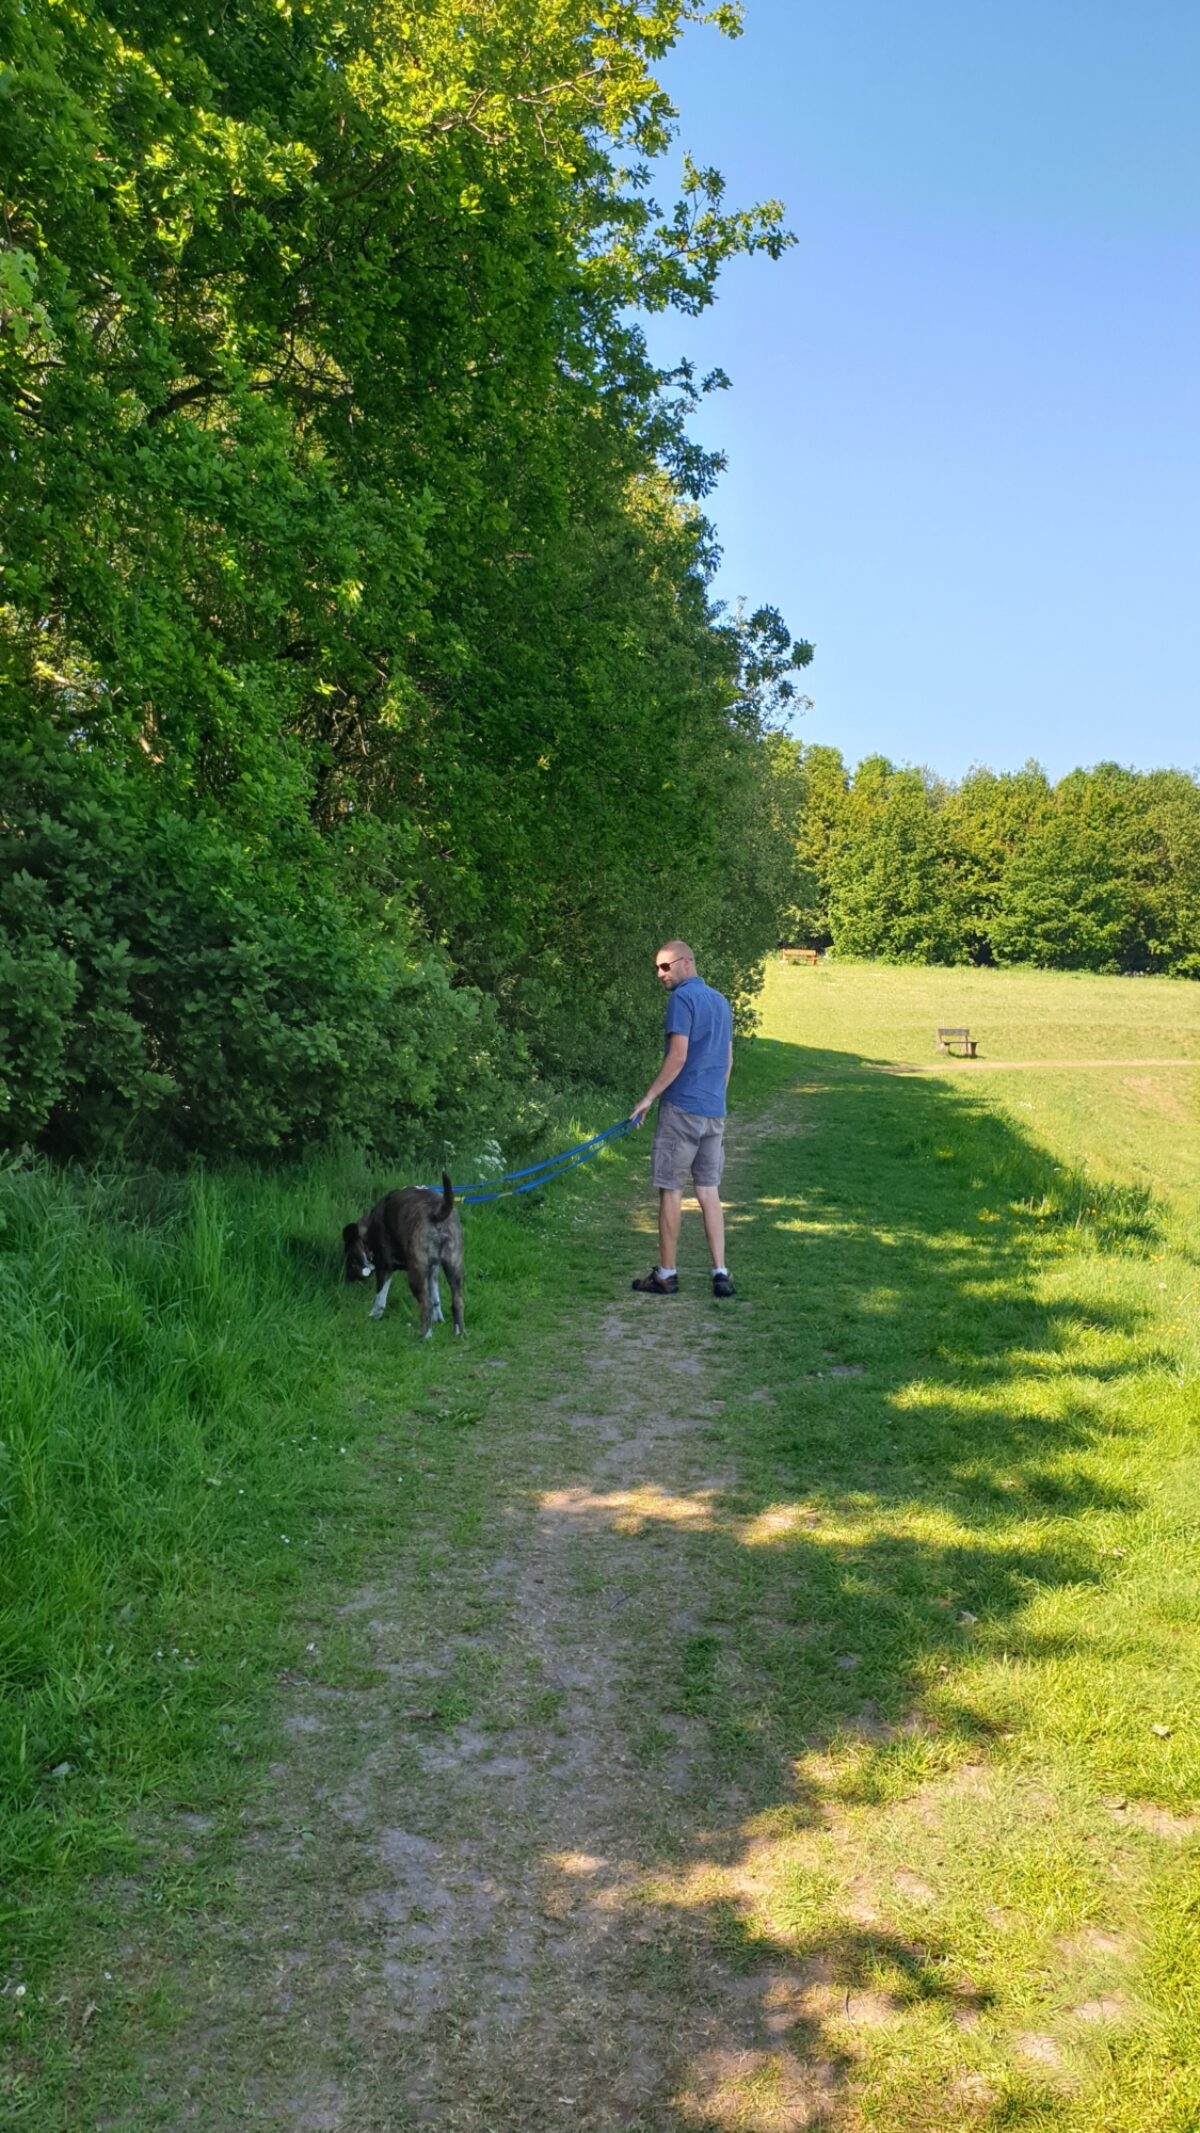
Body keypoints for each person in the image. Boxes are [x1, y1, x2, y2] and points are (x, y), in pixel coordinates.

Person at [629, 940, 735, 1298]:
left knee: (670, 1191)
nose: (660, 975)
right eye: (657, 968)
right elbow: (728, 1061)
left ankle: (666, 1274)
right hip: (714, 1113)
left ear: (685, 963)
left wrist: (648, 1098)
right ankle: (721, 1272)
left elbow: (677, 1057)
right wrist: (716, 1096)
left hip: (682, 1111)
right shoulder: (721, 1002)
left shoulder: (682, 1000)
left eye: (665, 967)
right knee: (709, 1192)